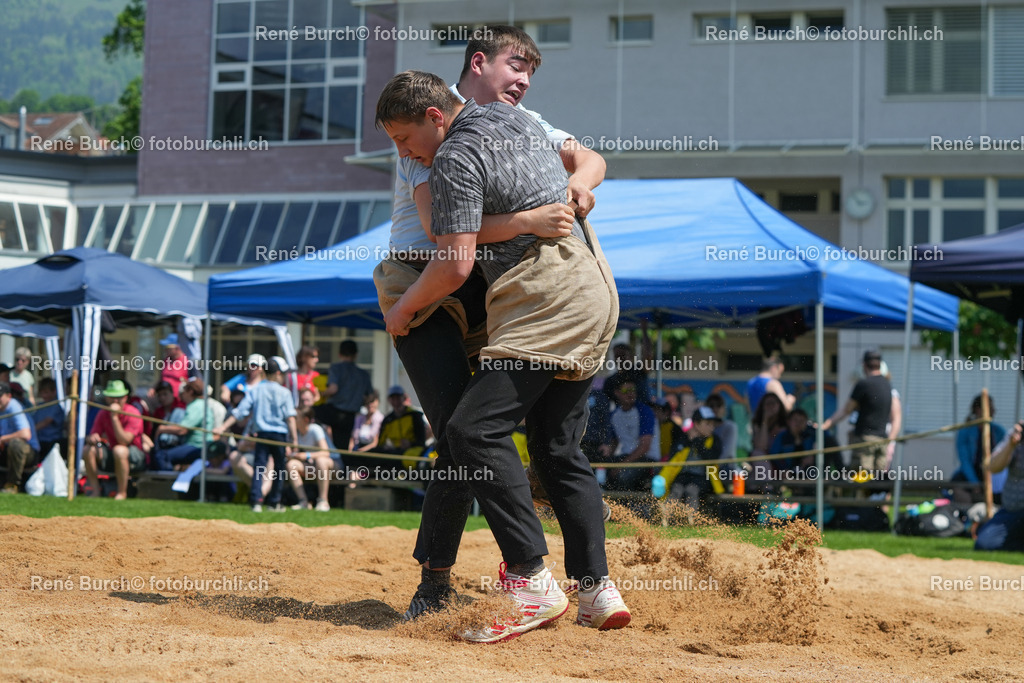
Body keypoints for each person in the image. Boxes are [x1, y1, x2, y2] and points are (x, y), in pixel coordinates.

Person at [377, 68, 627, 641]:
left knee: (470, 432)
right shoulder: (516, 119)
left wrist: (401, 310)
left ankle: (530, 580)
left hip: (540, 298)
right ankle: (595, 589)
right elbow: (584, 162)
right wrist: (536, 215)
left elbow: (454, 260)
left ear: (436, 116)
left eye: (402, 138)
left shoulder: (454, 158)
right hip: (594, 284)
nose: (403, 152)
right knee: (555, 443)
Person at [215, 358, 298, 513]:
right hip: (279, 436)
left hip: (262, 435)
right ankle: (273, 503)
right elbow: (290, 417)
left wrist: (223, 427)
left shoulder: (256, 390)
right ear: (278, 373)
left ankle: (256, 501)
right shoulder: (285, 392)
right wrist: (294, 440)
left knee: (260, 467)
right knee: (279, 469)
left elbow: (240, 412)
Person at [822, 350, 893, 478]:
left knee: (861, 479)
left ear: (864, 365)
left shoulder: (863, 384)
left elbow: (846, 410)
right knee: (878, 480)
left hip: (865, 441)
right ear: (880, 365)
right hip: (882, 440)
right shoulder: (887, 385)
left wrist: (826, 425)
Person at [82, 380, 148, 500]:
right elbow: (92, 434)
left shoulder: (133, 413)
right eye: (112, 397)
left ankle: (122, 493)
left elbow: (124, 441)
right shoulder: (102, 413)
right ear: (107, 398)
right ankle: (95, 491)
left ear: (125, 398)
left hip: (136, 458)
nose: (115, 401)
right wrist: (92, 438)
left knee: (119, 450)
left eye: (119, 397)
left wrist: (114, 417)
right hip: (114, 454)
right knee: (88, 449)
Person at [658, 407, 723, 515]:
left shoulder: (715, 440)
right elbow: (672, 460)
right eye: (708, 424)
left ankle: (692, 519)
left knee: (691, 490)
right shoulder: (683, 439)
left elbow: (711, 458)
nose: (711, 428)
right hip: (682, 476)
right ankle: (667, 517)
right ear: (696, 424)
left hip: (702, 478)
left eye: (713, 425)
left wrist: (696, 441)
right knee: (676, 489)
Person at [599, 380, 660, 491]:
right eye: (626, 390)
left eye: (633, 390)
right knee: (600, 473)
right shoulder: (615, 414)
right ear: (617, 392)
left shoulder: (644, 411)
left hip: (648, 460)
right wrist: (605, 457)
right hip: (627, 457)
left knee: (622, 477)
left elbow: (644, 447)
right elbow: (614, 443)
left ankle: (625, 506)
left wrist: (620, 467)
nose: (630, 393)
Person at [151, 379, 223, 471]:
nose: (182, 395)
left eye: (184, 391)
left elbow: (182, 430)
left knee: (162, 455)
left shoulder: (196, 406)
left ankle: (167, 483)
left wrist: (162, 429)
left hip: (199, 447)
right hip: (198, 446)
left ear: (190, 392)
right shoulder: (199, 404)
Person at [975, 420, 1024, 551]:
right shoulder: (1017, 435)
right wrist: (1011, 444)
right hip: (1012, 510)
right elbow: (993, 467)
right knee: (984, 544)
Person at [952, 394, 1008, 503]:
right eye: (990, 408)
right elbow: (965, 461)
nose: (994, 411)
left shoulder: (998, 431)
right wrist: (974, 483)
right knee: (959, 486)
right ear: (979, 410)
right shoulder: (965, 432)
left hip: (993, 475)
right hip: (971, 475)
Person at [321, 340, 373, 453]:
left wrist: (320, 394)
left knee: (312, 416)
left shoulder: (336, 368)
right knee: (342, 449)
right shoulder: (363, 374)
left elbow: (333, 389)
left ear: (339, 354)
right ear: (355, 355)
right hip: (349, 416)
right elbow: (369, 397)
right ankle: (341, 469)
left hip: (333, 412)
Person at [285, 406, 333, 511]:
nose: (293, 420)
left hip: (332, 465)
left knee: (321, 461)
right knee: (291, 464)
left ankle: (323, 501)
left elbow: (326, 452)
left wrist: (307, 455)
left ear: (305, 419)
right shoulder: (295, 433)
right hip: (315, 467)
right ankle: (303, 502)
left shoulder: (315, 429)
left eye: (296, 417)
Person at [770, 407, 840, 475]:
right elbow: (774, 454)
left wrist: (813, 457)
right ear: (788, 422)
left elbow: (827, 437)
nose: (798, 424)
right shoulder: (782, 436)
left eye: (802, 421)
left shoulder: (811, 434)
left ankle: (842, 473)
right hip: (788, 472)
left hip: (809, 471)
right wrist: (784, 469)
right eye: (795, 420)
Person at [0, 381, 39, 493]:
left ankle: (13, 485)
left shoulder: (14, 406)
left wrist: (2, 439)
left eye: (0, 396)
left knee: (16, 444)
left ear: (9, 396)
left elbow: (25, 434)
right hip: (7, 450)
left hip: (29, 453)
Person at [32, 377, 65, 458]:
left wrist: (30, 430)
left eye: (46, 392)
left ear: (54, 392)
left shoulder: (56, 406)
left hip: (52, 442)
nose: (44, 395)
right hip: (39, 441)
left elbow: (47, 421)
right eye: (42, 393)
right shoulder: (40, 406)